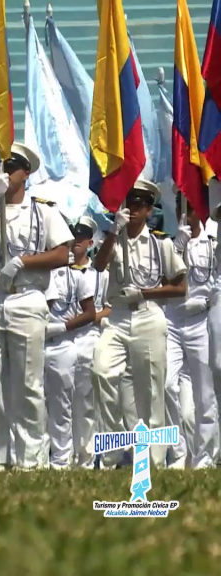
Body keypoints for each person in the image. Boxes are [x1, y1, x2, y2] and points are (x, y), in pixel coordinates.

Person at [0, 143, 73, 470]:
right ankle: (1, 452)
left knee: (27, 382)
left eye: (13, 167)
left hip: (27, 298)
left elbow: (64, 253)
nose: (6, 172)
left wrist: (23, 261)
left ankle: (32, 457)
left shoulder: (43, 210)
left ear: (27, 173)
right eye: (2, 167)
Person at [92, 179, 187, 468]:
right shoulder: (114, 237)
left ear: (149, 210)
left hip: (149, 315)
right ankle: (112, 453)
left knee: (152, 391)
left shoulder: (161, 242)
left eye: (140, 204)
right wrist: (112, 230)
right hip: (118, 316)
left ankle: (154, 460)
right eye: (130, 203)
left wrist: (145, 292)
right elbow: (98, 265)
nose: (133, 208)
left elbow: (179, 287)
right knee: (101, 370)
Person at [42, 216, 100, 469]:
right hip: (48, 343)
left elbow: (91, 311)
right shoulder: (44, 274)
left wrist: (61, 326)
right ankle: (56, 459)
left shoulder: (80, 275)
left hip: (77, 340)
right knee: (52, 405)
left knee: (82, 404)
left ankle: (83, 459)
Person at [164, 203, 216, 469]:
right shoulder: (169, 244)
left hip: (200, 320)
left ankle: (206, 457)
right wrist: (178, 247)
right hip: (172, 319)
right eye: (180, 206)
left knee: (204, 394)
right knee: (166, 385)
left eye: (191, 206)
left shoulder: (213, 241)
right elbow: (163, 277)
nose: (185, 213)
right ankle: (179, 452)